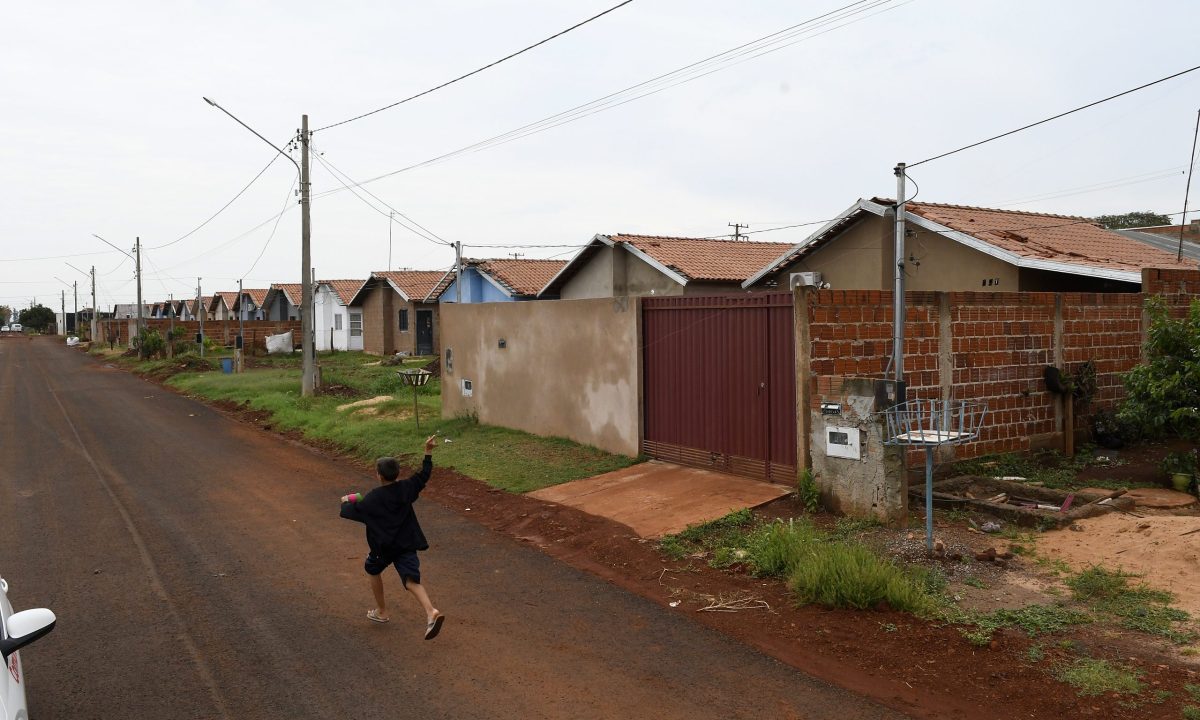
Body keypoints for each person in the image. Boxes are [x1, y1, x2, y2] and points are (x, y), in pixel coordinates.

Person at [340, 434, 444, 640]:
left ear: (379, 475)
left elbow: (347, 511)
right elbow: (424, 474)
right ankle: (430, 611)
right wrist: (428, 451)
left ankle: (381, 611)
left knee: (372, 568)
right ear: (397, 473)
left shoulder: (371, 500)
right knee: (411, 581)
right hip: (406, 544)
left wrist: (348, 498)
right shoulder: (406, 488)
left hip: (383, 549)